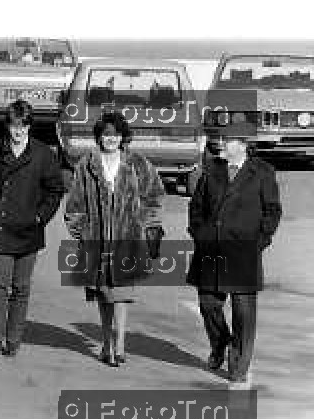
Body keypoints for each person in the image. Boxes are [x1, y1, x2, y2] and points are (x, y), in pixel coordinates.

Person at [64, 111, 165, 367]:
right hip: (96, 239)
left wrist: (148, 225)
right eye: (106, 134)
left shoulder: (138, 163)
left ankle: (119, 345)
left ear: (123, 137)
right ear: (99, 136)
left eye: (116, 134)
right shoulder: (86, 164)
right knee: (102, 294)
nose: (111, 139)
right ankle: (106, 342)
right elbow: (75, 203)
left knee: (121, 294)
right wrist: (80, 232)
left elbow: (153, 195)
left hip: (127, 238)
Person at [187, 136, 282, 388]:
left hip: (244, 251)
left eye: (227, 141)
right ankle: (220, 344)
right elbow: (196, 207)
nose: (221, 145)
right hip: (212, 247)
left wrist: (260, 240)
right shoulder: (211, 169)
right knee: (208, 304)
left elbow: (272, 209)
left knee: (244, 313)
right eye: (220, 140)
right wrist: (199, 233)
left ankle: (239, 365)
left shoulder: (262, 172)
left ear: (242, 145)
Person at [0, 99, 66, 359]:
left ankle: (13, 339)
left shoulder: (43, 155)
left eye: (23, 126)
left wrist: (41, 217)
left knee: (21, 287)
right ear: (7, 125)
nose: (18, 131)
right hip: (1, 227)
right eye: (14, 125)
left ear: (30, 126)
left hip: (30, 230)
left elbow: (55, 190)